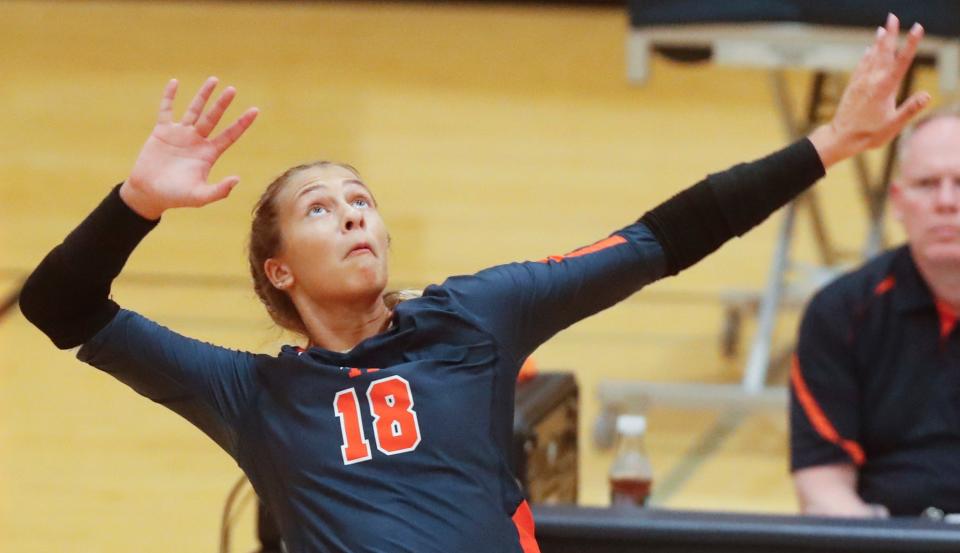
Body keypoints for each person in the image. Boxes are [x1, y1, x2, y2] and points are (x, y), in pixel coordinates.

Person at [20, 14, 925, 553]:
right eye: (321, 208)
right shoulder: (251, 394)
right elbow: (60, 308)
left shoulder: (474, 318)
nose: (353, 216)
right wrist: (137, 200)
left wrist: (829, 146)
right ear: (278, 268)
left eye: (363, 201)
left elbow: (660, 238)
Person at [791, 101, 960, 519]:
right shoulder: (840, 312)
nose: (945, 201)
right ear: (899, 202)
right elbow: (822, 481)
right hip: (885, 535)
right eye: (926, 184)